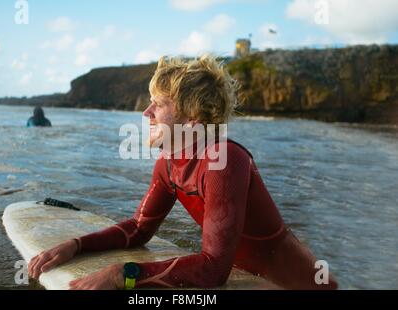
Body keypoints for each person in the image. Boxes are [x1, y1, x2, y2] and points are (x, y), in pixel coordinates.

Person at [28, 55, 338, 290]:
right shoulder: (168, 163)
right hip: (243, 278)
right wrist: (76, 245)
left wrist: (126, 275)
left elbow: (214, 269)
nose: (146, 113)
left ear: (191, 121)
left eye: (158, 105)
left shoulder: (224, 161)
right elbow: (138, 229)